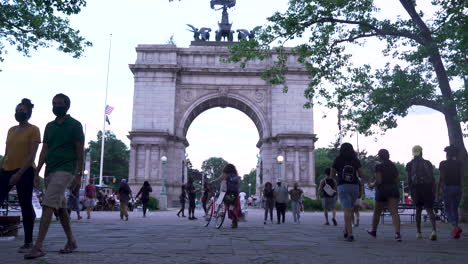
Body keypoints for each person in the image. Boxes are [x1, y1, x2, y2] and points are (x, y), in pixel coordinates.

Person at [26, 94, 84, 259]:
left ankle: (38, 246)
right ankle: (71, 241)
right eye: (53, 103)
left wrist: (79, 174)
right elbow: (45, 149)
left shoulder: (75, 125)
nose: (55, 106)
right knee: (61, 208)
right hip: (50, 170)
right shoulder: (49, 126)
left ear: (67, 105)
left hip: (66, 170)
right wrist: (37, 172)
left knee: (48, 204)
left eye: (59, 103)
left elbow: (80, 150)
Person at [0, 99, 40, 253]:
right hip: (7, 169)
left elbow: (32, 154)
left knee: (25, 204)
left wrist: (19, 173)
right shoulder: (11, 129)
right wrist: (2, 168)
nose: (19, 112)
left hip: (25, 170)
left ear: (28, 112)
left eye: (22, 110)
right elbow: (7, 152)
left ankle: (28, 242)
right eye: (17, 109)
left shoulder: (34, 129)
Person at [330, 142, 364, 242]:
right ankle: (345, 230)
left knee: (347, 210)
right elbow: (361, 174)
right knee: (350, 209)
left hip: (343, 186)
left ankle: (350, 234)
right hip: (354, 186)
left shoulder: (338, 159)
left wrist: (338, 176)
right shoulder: (355, 159)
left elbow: (332, 175)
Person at [367, 149, 402, 242]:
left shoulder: (379, 166)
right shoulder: (393, 166)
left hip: (382, 190)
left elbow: (379, 181)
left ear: (379, 156)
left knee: (377, 212)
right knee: (394, 212)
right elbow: (397, 179)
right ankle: (397, 234)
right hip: (393, 189)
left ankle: (373, 231)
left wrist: (371, 185)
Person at [406, 145, 437, 240]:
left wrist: (411, 190)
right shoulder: (428, 163)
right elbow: (432, 178)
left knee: (418, 210)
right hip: (427, 189)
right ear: (421, 152)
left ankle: (419, 232)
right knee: (430, 210)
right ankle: (434, 230)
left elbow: (409, 180)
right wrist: (434, 190)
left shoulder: (409, 164)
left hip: (416, 189)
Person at [438, 145, 463, 239]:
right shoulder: (459, 163)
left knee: (447, 209)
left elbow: (441, 177)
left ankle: (455, 226)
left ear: (447, 154)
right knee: (455, 209)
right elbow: (461, 176)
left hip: (448, 187)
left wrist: (439, 189)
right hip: (458, 188)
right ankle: (455, 230)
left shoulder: (443, 163)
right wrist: (461, 187)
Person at [211, 164, 242, 228]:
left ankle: (216, 212)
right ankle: (234, 220)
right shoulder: (236, 175)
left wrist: (212, 182)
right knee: (232, 206)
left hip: (226, 193)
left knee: (220, 201)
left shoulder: (225, 174)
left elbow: (219, 179)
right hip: (234, 194)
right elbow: (238, 186)